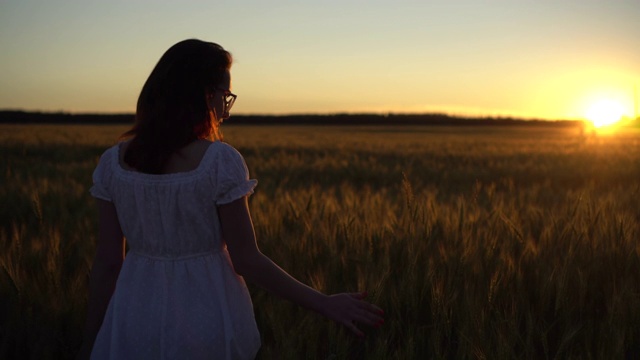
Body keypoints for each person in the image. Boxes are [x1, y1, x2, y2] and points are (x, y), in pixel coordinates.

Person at [78, 39, 384, 359]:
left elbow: (108, 261)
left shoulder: (113, 164)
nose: (226, 110)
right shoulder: (219, 162)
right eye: (225, 96)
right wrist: (324, 302)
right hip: (207, 315)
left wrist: (89, 341)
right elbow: (246, 259)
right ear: (205, 95)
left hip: (134, 317)